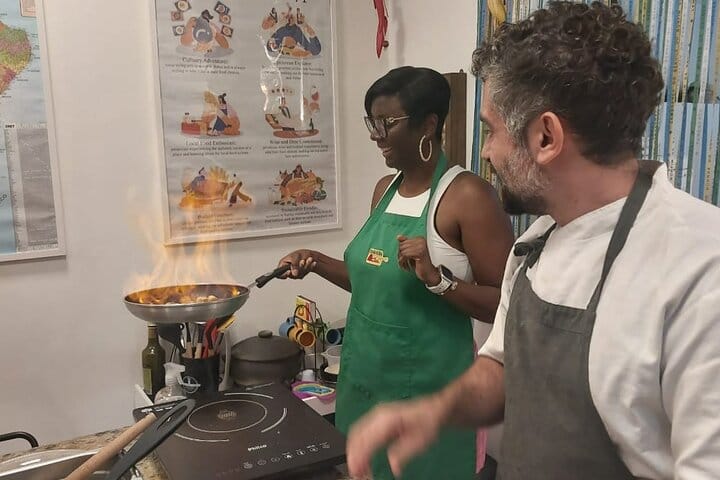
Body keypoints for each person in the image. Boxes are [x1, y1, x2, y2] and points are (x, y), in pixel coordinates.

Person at [345, 2, 720, 479]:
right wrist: (435, 410)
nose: (486, 151)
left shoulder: (700, 268)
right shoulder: (538, 241)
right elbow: (500, 367)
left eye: (491, 130)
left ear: (546, 137)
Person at [278, 66, 514, 479]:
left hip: (427, 397)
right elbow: (371, 283)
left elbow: (504, 304)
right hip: (365, 385)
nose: (376, 135)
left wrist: (438, 280)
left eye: (387, 123)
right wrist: (315, 260)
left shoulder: (468, 196)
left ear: (429, 125)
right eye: (372, 122)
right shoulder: (384, 190)